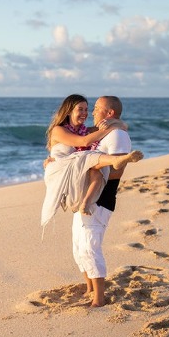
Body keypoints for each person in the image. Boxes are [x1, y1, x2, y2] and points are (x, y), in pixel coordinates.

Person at [71, 96, 143, 307]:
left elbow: (116, 170)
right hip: (86, 196)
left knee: (90, 248)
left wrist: (90, 168)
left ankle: (99, 300)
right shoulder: (107, 132)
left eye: (96, 108)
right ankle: (89, 289)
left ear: (109, 113)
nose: (92, 112)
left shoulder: (118, 135)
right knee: (78, 247)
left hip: (101, 197)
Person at [41, 94, 141, 231]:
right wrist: (111, 128)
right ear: (69, 111)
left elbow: (121, 125)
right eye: (80, 109)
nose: (86, 113)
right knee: (91, 156)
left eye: (87, 109)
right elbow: (84, 142)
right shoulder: (58, 130)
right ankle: (115, 160)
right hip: (59, 169)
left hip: (75, 168)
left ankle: (86, 202)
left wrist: (117, 123)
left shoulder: (83, 131)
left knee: (97, 170)